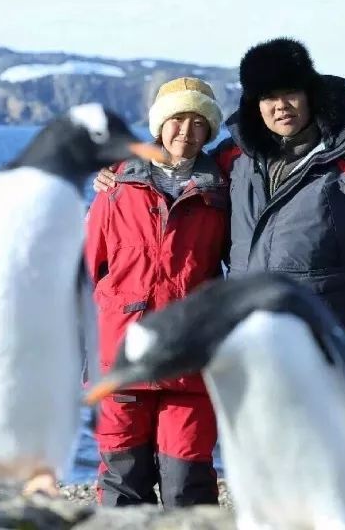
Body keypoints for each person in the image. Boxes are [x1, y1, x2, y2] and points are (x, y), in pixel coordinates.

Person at [95, 38, 345, 387]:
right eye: (268, 97)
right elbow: (177, 170)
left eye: (290, 94)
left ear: (310, 94)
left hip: (326, 351)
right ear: (255, 104)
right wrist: (119, 174)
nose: (281, 106)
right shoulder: (234, 158)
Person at [83, 76, 227, 508]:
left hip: (190, 360)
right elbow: (89, 272)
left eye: (198, 123)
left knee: (188, 486)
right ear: (159, 126)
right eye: (177, 120)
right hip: (120, 359)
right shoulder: (116, 189)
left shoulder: (221, 194)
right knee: (122, 487)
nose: (186, 132)